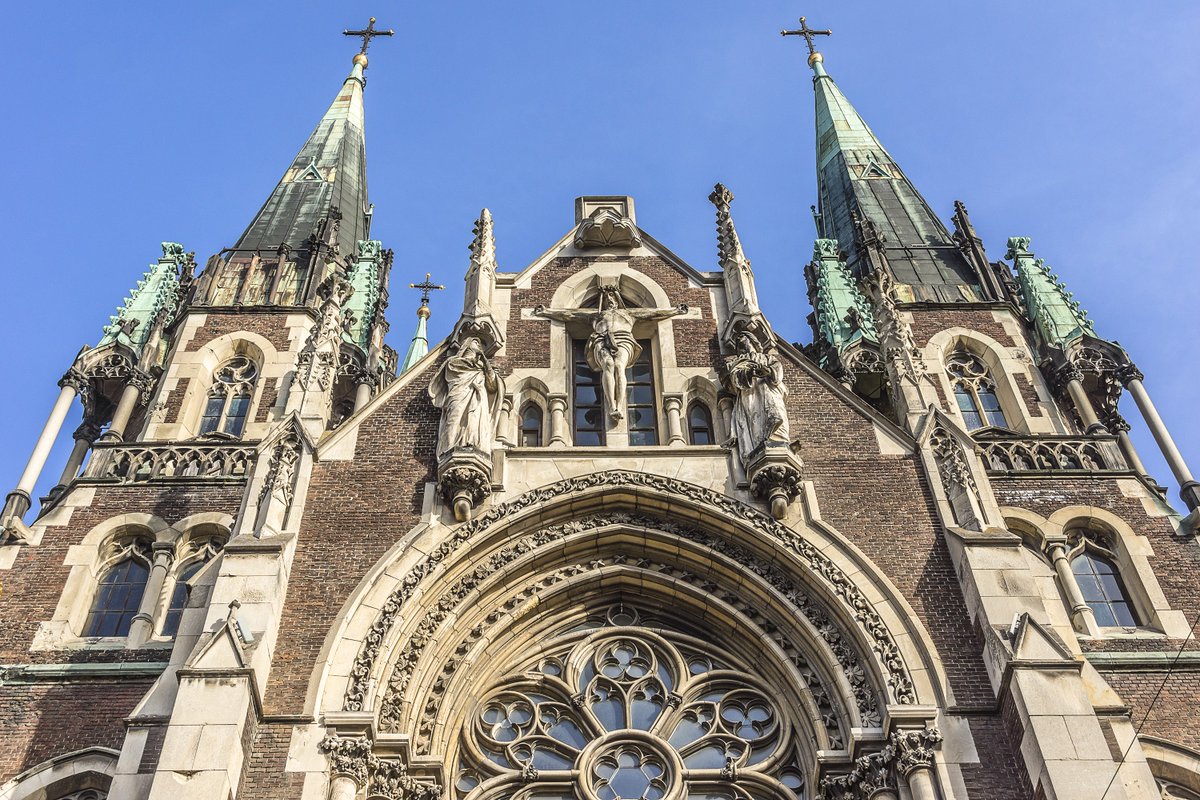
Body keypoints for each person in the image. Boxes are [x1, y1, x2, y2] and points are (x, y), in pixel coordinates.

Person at [536, 286, 686, 420]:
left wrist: (675, 310)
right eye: (607, 299)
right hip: (602, 339)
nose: (610, 301)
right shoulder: (596, 315)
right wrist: (547, 311)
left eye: (612, 298)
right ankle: (611, 405)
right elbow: (569, 315)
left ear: (618, 300)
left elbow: (653, 313)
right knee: (608, 364)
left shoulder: (629, 314)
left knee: (619, 366)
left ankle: (620, 406)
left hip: (624, 339)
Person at [428, 336, 504, 457]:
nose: (478, 346)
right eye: (475, 342)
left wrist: (484, 359)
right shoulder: (453, 362)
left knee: (474, 419)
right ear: (466, 345)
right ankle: (449, 448)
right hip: (458, 395)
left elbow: (493, 384)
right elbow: (454, 369)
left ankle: (473, 444)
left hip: (477, 397)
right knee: (453, 420)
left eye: (480, 345)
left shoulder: (482, 368)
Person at [723, 332, 789, 463]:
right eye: (738, 345)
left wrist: (768, 371)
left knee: (776, 413)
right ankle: (759, 444)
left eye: (744, 341)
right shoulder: (736, 363)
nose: (741, 345)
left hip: (768, 389)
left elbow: (777, 370)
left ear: (753, 342)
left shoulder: (767, 358)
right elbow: (730, 381)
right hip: (750, 394)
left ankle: (779, 440)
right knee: (754, 418)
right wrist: (749, 373)